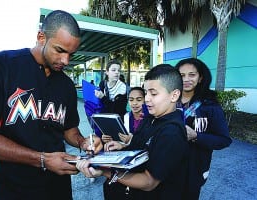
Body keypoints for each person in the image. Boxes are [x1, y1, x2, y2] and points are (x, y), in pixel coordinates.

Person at [0, 10, 103, 200]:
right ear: (41, 37)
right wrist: (42, 159)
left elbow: (69, 129)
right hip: (9, 190)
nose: (65, 61)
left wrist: (84, 142)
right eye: (60, 50)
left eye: (71, 54)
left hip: (56, 189)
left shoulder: (66, 85)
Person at [77, 64, 189, 200]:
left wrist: (105, 172)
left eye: (153, 93)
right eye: (146, 92)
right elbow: (140, 147)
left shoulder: (171, 132)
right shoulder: (150, 118)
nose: (147, 98)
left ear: (174, 95)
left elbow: (149, 182)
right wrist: (122, 147)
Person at [175, 58, 232, 200]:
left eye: (192, 75)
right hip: (167, 167)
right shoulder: (168, 101)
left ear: (200, 78)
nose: (186, 79)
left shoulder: (210, 106)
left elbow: (224, 140)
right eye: (181, 75)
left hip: (194, 171)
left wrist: (196, 136)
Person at [94, 59, 128, 138]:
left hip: (118, 121)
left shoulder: (122, 88)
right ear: (107, 72)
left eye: (118, 70)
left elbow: (117, 109)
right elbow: (100, 103)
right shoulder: (103, 83)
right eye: (113, 70)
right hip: (104, 118)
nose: (117, 72)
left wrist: (103, 97)